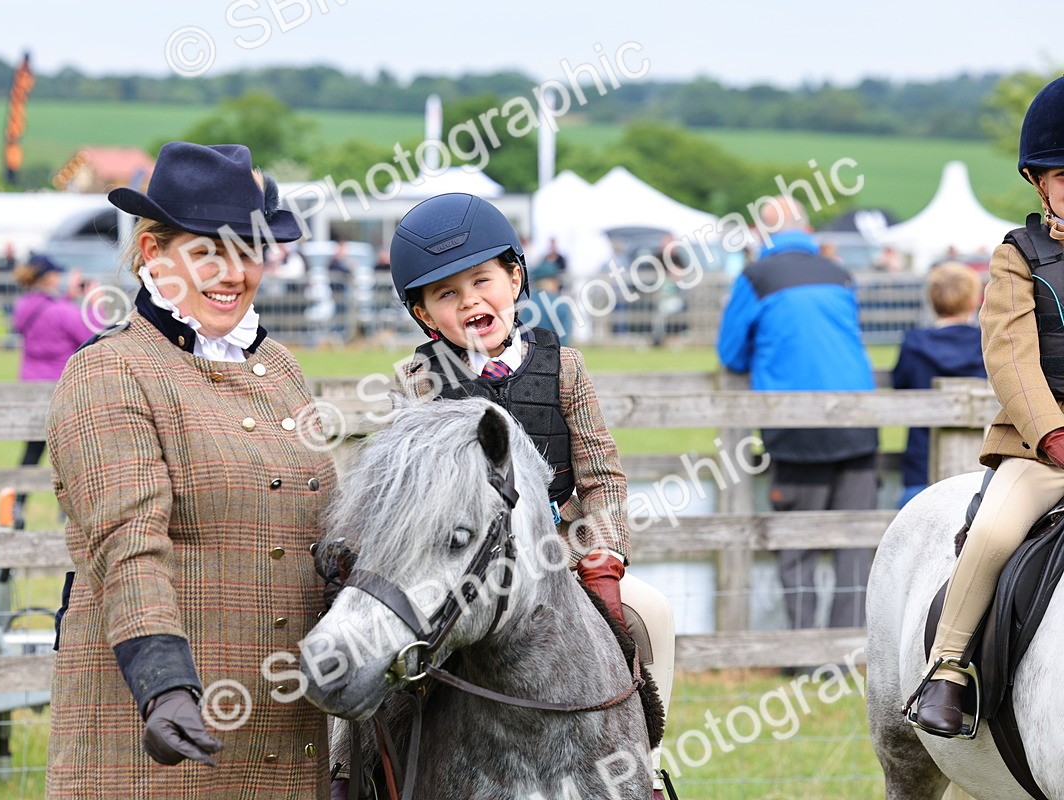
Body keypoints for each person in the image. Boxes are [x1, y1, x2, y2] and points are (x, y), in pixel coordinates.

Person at [46, 142, 336, 796]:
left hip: (286, 737)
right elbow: (127, 543)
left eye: (249, 251)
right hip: (159, 738)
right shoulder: (109, 372)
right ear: (153, 254)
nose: (233, 272)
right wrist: (163, 684)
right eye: (208, 250)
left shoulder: (282, 369)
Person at [386, 191, 673, 800]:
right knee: (380, 646)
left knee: (653, 616)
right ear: (423, 315)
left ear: (515, 278)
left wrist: (604, 554)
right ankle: (354, 767)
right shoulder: (417, 384)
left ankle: (641, 764)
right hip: (462, 577)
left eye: (481, 281)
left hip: (561, 564)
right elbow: (409, 497)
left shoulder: (564, 366)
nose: (469, 302)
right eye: (445, 294)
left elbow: (602, 477)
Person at [908, 75, 1064, 736]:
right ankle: (947, 669)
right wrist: (1054, 436)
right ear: (1040, 183)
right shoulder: (1017, 258)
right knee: (997, 531)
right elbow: (1010, 357)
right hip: (1043, 451)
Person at [717, 196, 878, 632]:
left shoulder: (756, 277)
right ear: (805, 230)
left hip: (795, 425)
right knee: (855, 543)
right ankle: (848, 646)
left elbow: (730, 354)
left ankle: (803, 651)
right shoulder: (840, 274)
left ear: (761, 232)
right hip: (860, 420)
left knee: (797, 542)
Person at [891, 262, 985, 508]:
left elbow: (899, 389)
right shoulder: (986, 343)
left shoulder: (913, 344)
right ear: (974, 299)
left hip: (921, 464)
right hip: (981, 468)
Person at [10, 253, 92, 529]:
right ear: (49, 277)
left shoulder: (24, 306)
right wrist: (91, 301)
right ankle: (68, 511)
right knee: (69, 453)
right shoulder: (60, 310)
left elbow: (50, 319)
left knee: (32, 451)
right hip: (60, 389)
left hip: (30, 387)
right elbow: (90, 332)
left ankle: (17, 504)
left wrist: (67, 298)